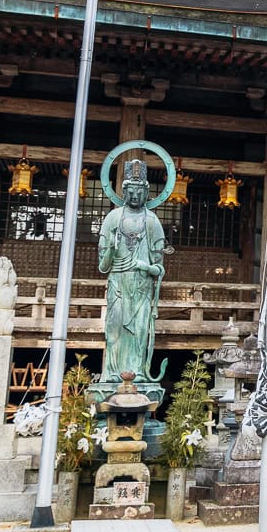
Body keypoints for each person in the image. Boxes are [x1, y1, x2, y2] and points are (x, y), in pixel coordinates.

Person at [98, 159, 166, 383]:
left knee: (138, 333)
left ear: (146, 192)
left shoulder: (152, 221)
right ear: (123, 191)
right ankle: (112, 373)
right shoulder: (112, 219)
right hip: (118, 283)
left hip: (140, 288)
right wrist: (111, 249)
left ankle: (136, 372)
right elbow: (102, 267)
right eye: (131, 191)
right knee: (114, 329)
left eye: (139, 191)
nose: (135, 196)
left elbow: (159, 267)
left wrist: (145, 266)